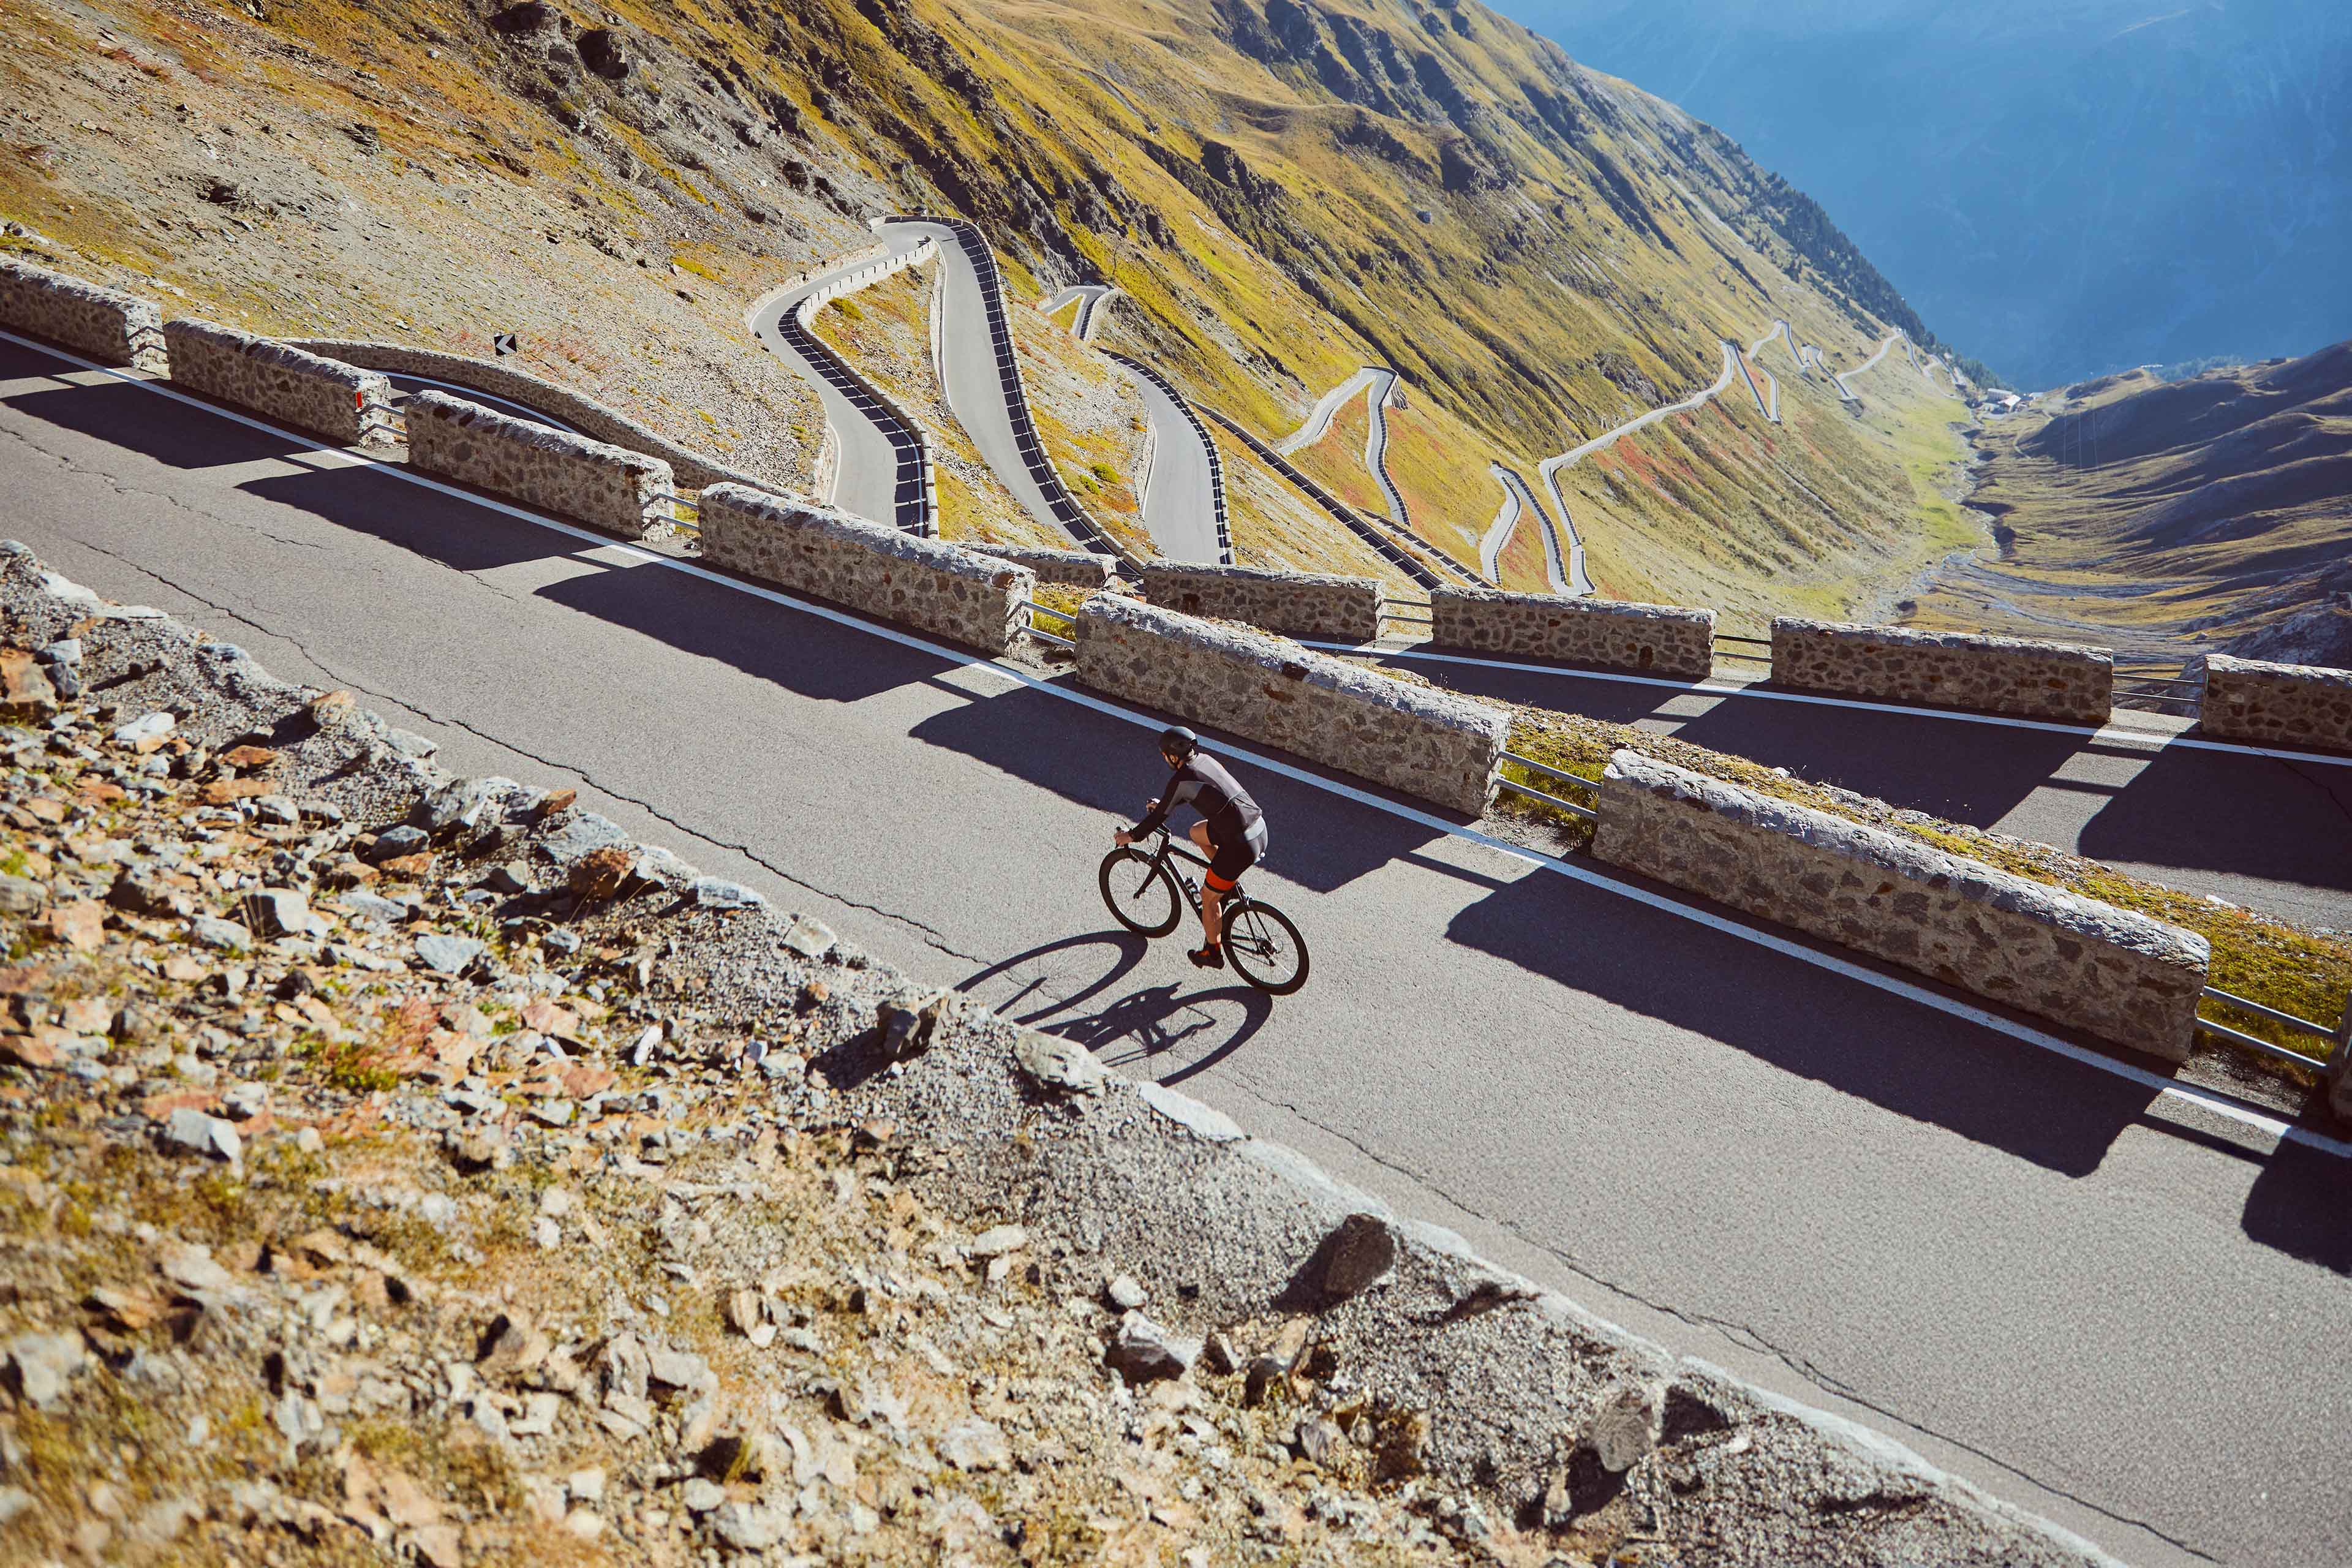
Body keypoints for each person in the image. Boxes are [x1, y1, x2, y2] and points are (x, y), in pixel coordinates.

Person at [1115, 726, 1268, 968]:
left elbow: (1159, 818)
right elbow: (1208, 793)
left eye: (1164, 755)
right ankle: (1226, 884)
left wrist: (1131, 836)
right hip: (1258, 827)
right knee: (1197, 833)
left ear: (1173, 756)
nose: (1164, 758)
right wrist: (1166, 803)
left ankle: (1213, 953)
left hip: (1240, 845)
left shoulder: (1180, 780)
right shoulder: (1207, 760)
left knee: (1208, 898)